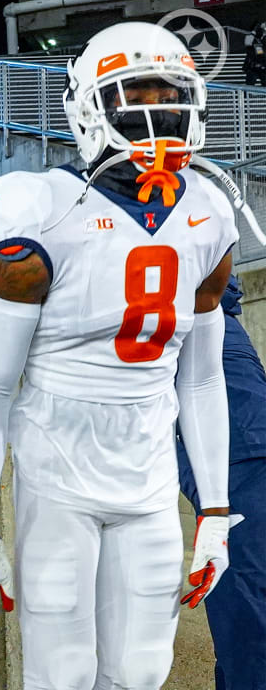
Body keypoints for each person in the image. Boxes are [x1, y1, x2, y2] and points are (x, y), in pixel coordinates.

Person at [0, 22, 245, 689]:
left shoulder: (209, 212)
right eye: (134, 93)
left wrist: (217, 512)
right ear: (89, 106)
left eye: (170, 94)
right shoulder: (43, 207)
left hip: (147, 473)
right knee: (63, 674)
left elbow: (200, 380)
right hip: (57, 471)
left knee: (143, 672)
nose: (156, 110)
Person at [176, 275, 266, 690]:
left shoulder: (183, 323)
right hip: (241, 462)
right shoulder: (224, 324)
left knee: (247, 634)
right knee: (241, 636)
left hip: (239, 471)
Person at [242, 23, 265, 87]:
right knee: (249, 85)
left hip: (263, 66)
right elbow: (247, 43)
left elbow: (261, 54)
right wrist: (254, 31)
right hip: (252, 67)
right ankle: (245, 96)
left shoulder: (262, 40)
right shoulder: (251, 39)